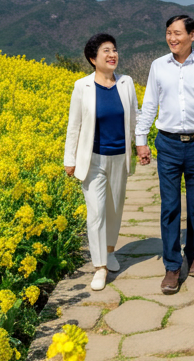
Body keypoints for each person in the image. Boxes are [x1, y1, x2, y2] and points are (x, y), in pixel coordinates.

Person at [135, 14, 194, 295]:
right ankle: (172, 266)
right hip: (169, 144)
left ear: (192, 35)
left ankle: (193, 252)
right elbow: (149, 104)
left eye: (177, 33)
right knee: (170, 206)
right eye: (168, 33)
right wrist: (141, 139)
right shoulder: (158, 66)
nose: (172, 38)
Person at [63, 32, 139, 291]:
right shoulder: (81, 86)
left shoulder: (126, 83)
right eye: (106, 51)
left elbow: (134, 119)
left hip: (120, 157)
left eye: (114, 49)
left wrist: (140, 145)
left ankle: (109, 251)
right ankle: (99, 267)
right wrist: (69, 159)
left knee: (114, 210)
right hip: (93, 159)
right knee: (96, 213)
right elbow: (74, 126)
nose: (112, 54)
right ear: (92, 59)